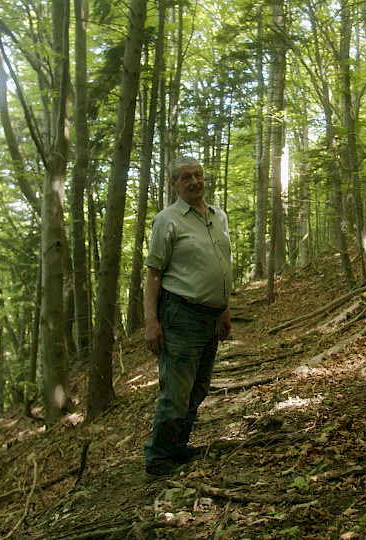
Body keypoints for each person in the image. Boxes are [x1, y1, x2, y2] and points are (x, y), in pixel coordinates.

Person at [143, 156, 233, 478]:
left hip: (211, 316)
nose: (194, 182)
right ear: (173, 184)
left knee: (199, 388)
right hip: (180, 315)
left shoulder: (218, 216)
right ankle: (158, 459)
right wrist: (151, 322)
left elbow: (221, 264)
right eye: (185, 177)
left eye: (198, 175)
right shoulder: (167, 220)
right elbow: (154, 274)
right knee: (176, 392)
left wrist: (224, 309)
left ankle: (178, 448)